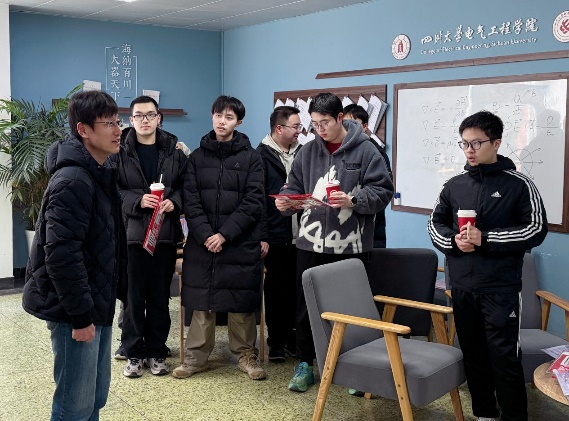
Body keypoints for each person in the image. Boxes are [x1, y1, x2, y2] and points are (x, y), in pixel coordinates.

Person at [428, 110, 547, 421]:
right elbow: (434, 224)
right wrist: (454, 241)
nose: (469, 150)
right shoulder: (454, 185)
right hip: (462, 287)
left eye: (476, 143)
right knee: (473, 354)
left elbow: (536, 229)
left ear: (496, 143)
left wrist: (487, 238)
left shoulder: (519, 184)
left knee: (504, 357)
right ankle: (484, 413)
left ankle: (514, 415)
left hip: (500, 288)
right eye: (464, 143)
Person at [276, 92, 393, 392]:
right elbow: (294, 186)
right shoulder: (307, 152)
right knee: (306, 307)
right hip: (310, 243)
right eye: (314, 124)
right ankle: (306, 364)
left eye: (325, 122)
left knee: (351, 308)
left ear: (340, 118)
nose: (319, 129)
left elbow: (383, 191)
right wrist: (286, 200)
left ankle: (357, 371)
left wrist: (353, 200)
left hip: (350, 245)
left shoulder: (366, 150)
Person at [22, 90, 127, 420]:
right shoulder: (73, 180)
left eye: (118, 122)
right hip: (75, 310)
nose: (118, 130)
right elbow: (61, 255)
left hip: (96, 302)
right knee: (74, 406)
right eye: (109, 124)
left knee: (94, 398)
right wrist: (81, 317)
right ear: (83, 130)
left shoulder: (99, 172)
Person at [173, 95, 266, 381]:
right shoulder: (196, 158)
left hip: (239, 241)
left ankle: (246, 356)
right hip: (203, 243)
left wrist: (224, 234)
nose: (222, 121)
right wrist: (206, 235)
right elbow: (190, 201)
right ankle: (195, 358)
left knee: (241, 301)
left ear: (239, 122)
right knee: (203, 301)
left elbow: (253, 201)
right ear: (212, 116)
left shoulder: (252, 158)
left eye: (229, 117)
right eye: (218, 115)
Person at [111, 95, 187, 378]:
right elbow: (112, 190)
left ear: (158, 118)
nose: (145, 120)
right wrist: (137, 200)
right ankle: (133, 352)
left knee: (159, 297)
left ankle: (156, 351)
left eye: (150, 115)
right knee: (132, 298)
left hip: (164, 236)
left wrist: (174, 202)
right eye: (139, 115)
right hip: (131, 236)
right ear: (131, 120)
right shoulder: (119, 151)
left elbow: (186, 187)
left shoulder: (174, 152)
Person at [257, 106, 302, 362]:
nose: (299, 131)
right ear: (279, 128)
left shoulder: (303, 152)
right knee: (276, 290)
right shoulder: (260, 156)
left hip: (302, 235)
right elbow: (258, 201)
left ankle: (294, 340)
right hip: (275, 235)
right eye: (295, 126)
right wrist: (262, 235)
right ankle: (275, 342)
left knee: (298, 290)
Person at [343, 104, 392, 248]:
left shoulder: (376, 153)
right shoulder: (343, 151)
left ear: (365, 126)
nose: (349, 128)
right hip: (344, 229)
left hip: (370, 226)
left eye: (354, 124)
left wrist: (355, 200)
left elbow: (382, 192)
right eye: (345, 124)